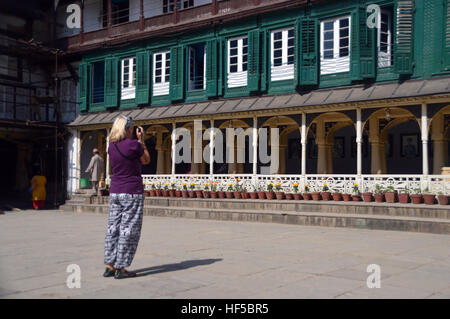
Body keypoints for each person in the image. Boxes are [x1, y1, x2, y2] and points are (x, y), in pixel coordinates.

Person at [103, 115, 150, 279]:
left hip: (115, 191)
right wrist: (141, 140)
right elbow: (146, 160)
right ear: (128, 129)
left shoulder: (111, 146)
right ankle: (121, 268)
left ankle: (110, 264)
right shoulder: (133, 145)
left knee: (113, 228)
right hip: (131, 191)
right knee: (128, 230)